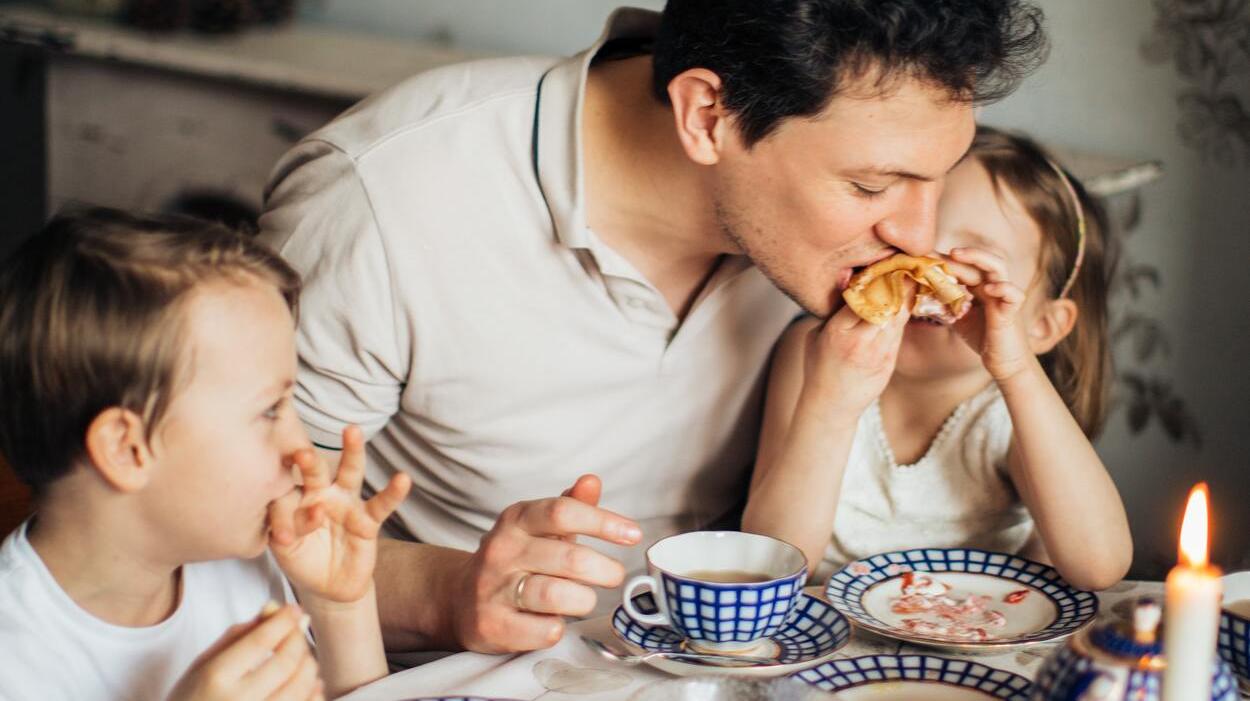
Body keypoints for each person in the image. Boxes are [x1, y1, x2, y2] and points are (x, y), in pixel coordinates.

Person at [258, 0, 1048, 653]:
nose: (919, 232)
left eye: (936, 181)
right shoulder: (381, 200)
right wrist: (450, 590)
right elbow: (231, 537)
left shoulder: (829, 245)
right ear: (707, 114)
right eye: (873, 184)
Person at [0, 208, 410, 700]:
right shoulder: (16, 660)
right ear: (128, 450)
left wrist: (341, 608)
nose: (302, 450)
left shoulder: (239, 564)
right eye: (268, 411)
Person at [742, 126, 1133, 591]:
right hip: (834, 639)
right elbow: (769, 566)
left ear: (1041, 326)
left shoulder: (1011, 411)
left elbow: (1101, 566)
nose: (926, 274)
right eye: (912, 247)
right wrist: (830, 404)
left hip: (977, 637)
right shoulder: (817, 353)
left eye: (971, 262)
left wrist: (1016, 368)